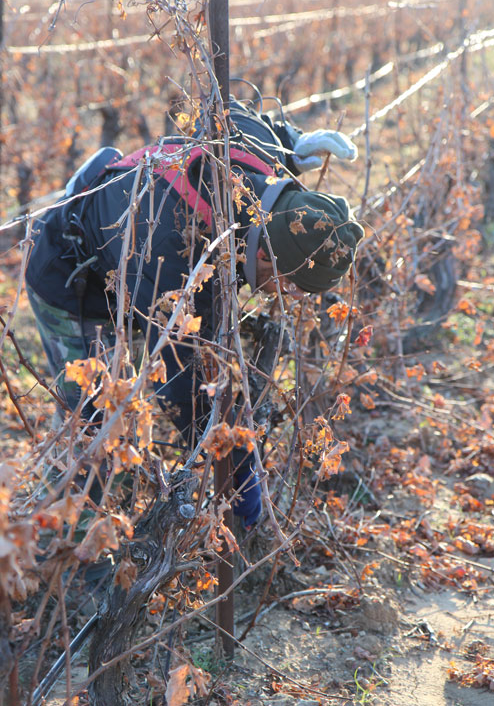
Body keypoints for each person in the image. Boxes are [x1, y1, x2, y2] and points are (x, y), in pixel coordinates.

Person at [25, 99, 364, 527]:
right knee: (92, 428)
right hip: (67, 276)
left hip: (128, 270)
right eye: (291, 284)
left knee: (119, 406)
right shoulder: (182, 261)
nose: (293, 297)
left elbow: (232, 111)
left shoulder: (263, 172)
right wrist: (237, 467)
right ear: (264, 255)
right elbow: (182, 387)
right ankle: (58, 547)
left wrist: (290, 140)